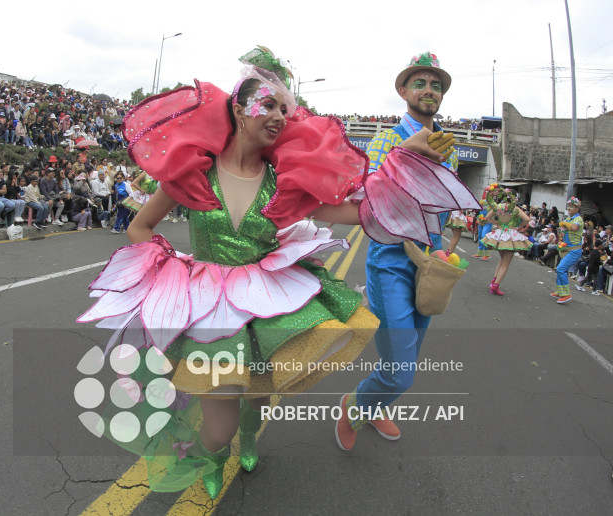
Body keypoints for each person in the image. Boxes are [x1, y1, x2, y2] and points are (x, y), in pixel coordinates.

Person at [77, 47, 477, 499]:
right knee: (218, 428)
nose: (278, 117)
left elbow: (364, 211)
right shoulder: (195, 172)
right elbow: (140, 226)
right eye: (267, 105)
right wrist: (171, 271)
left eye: (285, 111)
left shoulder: (283, 183)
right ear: (238, 108)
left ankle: (250, 438)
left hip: (264, 305)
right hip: (209, 310)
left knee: (258, 395)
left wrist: (402, 156)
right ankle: (216, 455)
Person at [335, 51, 475, 451]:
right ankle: (355, 404)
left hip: (431, 263)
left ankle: (374, 404)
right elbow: (365, 197)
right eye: (420, 83)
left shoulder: (447, 145)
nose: (429, 90)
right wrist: (407, 155)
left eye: (436, 85)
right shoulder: (387, 139)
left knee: (405, 355)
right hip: (391, 261)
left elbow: (443, 203)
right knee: (401, 372)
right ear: (403, 91)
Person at [479, 186, 531, 295]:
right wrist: (520, 226)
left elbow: (487, 218)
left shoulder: (499, 206)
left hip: (500, 234)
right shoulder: (515, 208)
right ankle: (495, 285)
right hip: (511, 235)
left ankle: (494, 281)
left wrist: (497, 223)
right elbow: (527, 219)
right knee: (505, 263)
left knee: (502, 260)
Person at [552, 197, 584, 303]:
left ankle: (566, 294)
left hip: (574, 250)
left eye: (572, 207)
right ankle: (560, 291)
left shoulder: (578, 219)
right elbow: (562, 230)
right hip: (566, 248)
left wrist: (564, 223)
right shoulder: (569, 218)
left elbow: (574, 228)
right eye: (569, 206)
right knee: (561, 269)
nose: (569, 208)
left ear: (577, 209)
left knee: (561, 268)